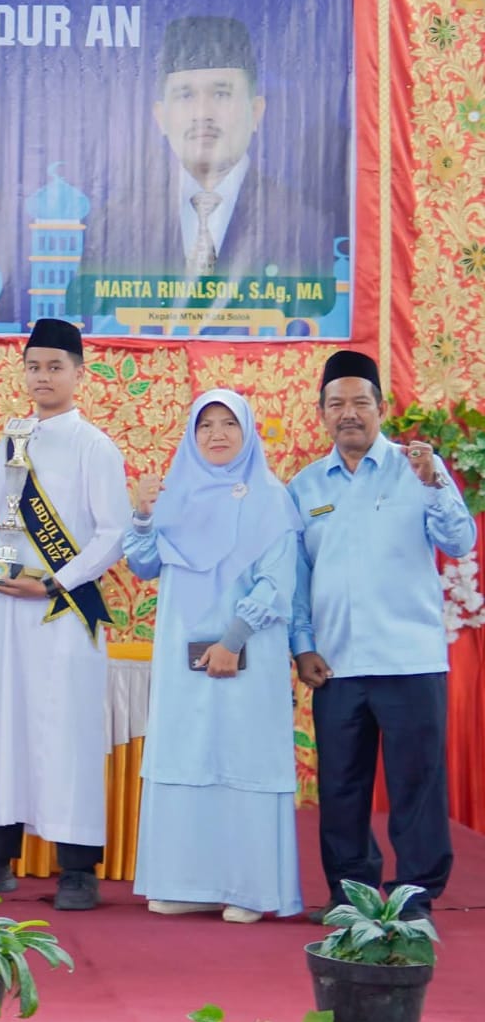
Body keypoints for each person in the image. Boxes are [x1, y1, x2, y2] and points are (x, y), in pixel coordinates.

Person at [0, 318, 129, 911]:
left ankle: (77, 868)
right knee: (4, 725)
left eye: (55, 366)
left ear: (79, 373)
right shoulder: (10, 443)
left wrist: (53, 582)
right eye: (34, 366)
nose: (43, 377)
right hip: (8, 617)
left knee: (67, 729)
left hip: (65, 613)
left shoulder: (96, 447)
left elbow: (114, 535)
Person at [290, 350, 475, 921]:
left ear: (380, 408)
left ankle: (417, 889)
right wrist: (302, 644)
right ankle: (351, 891)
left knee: (416, 784)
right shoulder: (304, 486)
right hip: (337, 663)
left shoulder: (418, 469)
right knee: (342, 789)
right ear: (321, 413)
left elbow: (460, 540)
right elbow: (298, 576)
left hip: (408, 659)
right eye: (337, 404)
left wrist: (437, 483)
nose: (349, 414)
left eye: (360, 403)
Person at [124, 389, 304, 922]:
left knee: (241, 756)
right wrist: (140, 516)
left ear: (247, 431)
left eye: (229, 423)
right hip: (183, 656)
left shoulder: (270, 497)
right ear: (191, 434)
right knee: (187, 753)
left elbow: (277, 581)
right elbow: (144, 564)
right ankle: (189, 882)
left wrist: (234, 638)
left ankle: (248, 889)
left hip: (247, 651)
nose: (218, 434)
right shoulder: (174, 494)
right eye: (206, 425)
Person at [81, 16, 335, 296]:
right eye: (185, 95)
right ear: (160, 117)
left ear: (257, 111)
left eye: (222, 94)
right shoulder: (113, 226)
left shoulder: (302, 225)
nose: (203, 113)